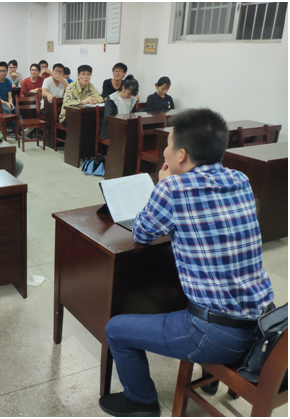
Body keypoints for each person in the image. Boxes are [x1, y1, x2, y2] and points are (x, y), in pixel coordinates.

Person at [98, 108, 274, 417]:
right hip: (263, 324)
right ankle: (209, 377)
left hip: (216, 335)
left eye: (168, 145)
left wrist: (163, 183)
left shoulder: (172, 189)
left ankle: (141, 401)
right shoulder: (241, 179)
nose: (164, 151)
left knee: (116, 329)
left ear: (180, 155)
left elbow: (142, 232)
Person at [99, 75, 139, 141]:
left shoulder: (132, 100)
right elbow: (108, 118)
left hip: (126, 130)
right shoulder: (112, 99)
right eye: (129, 93)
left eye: (132, 94)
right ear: (123, 88)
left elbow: (133, 116)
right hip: (111, 131)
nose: (130, 96)